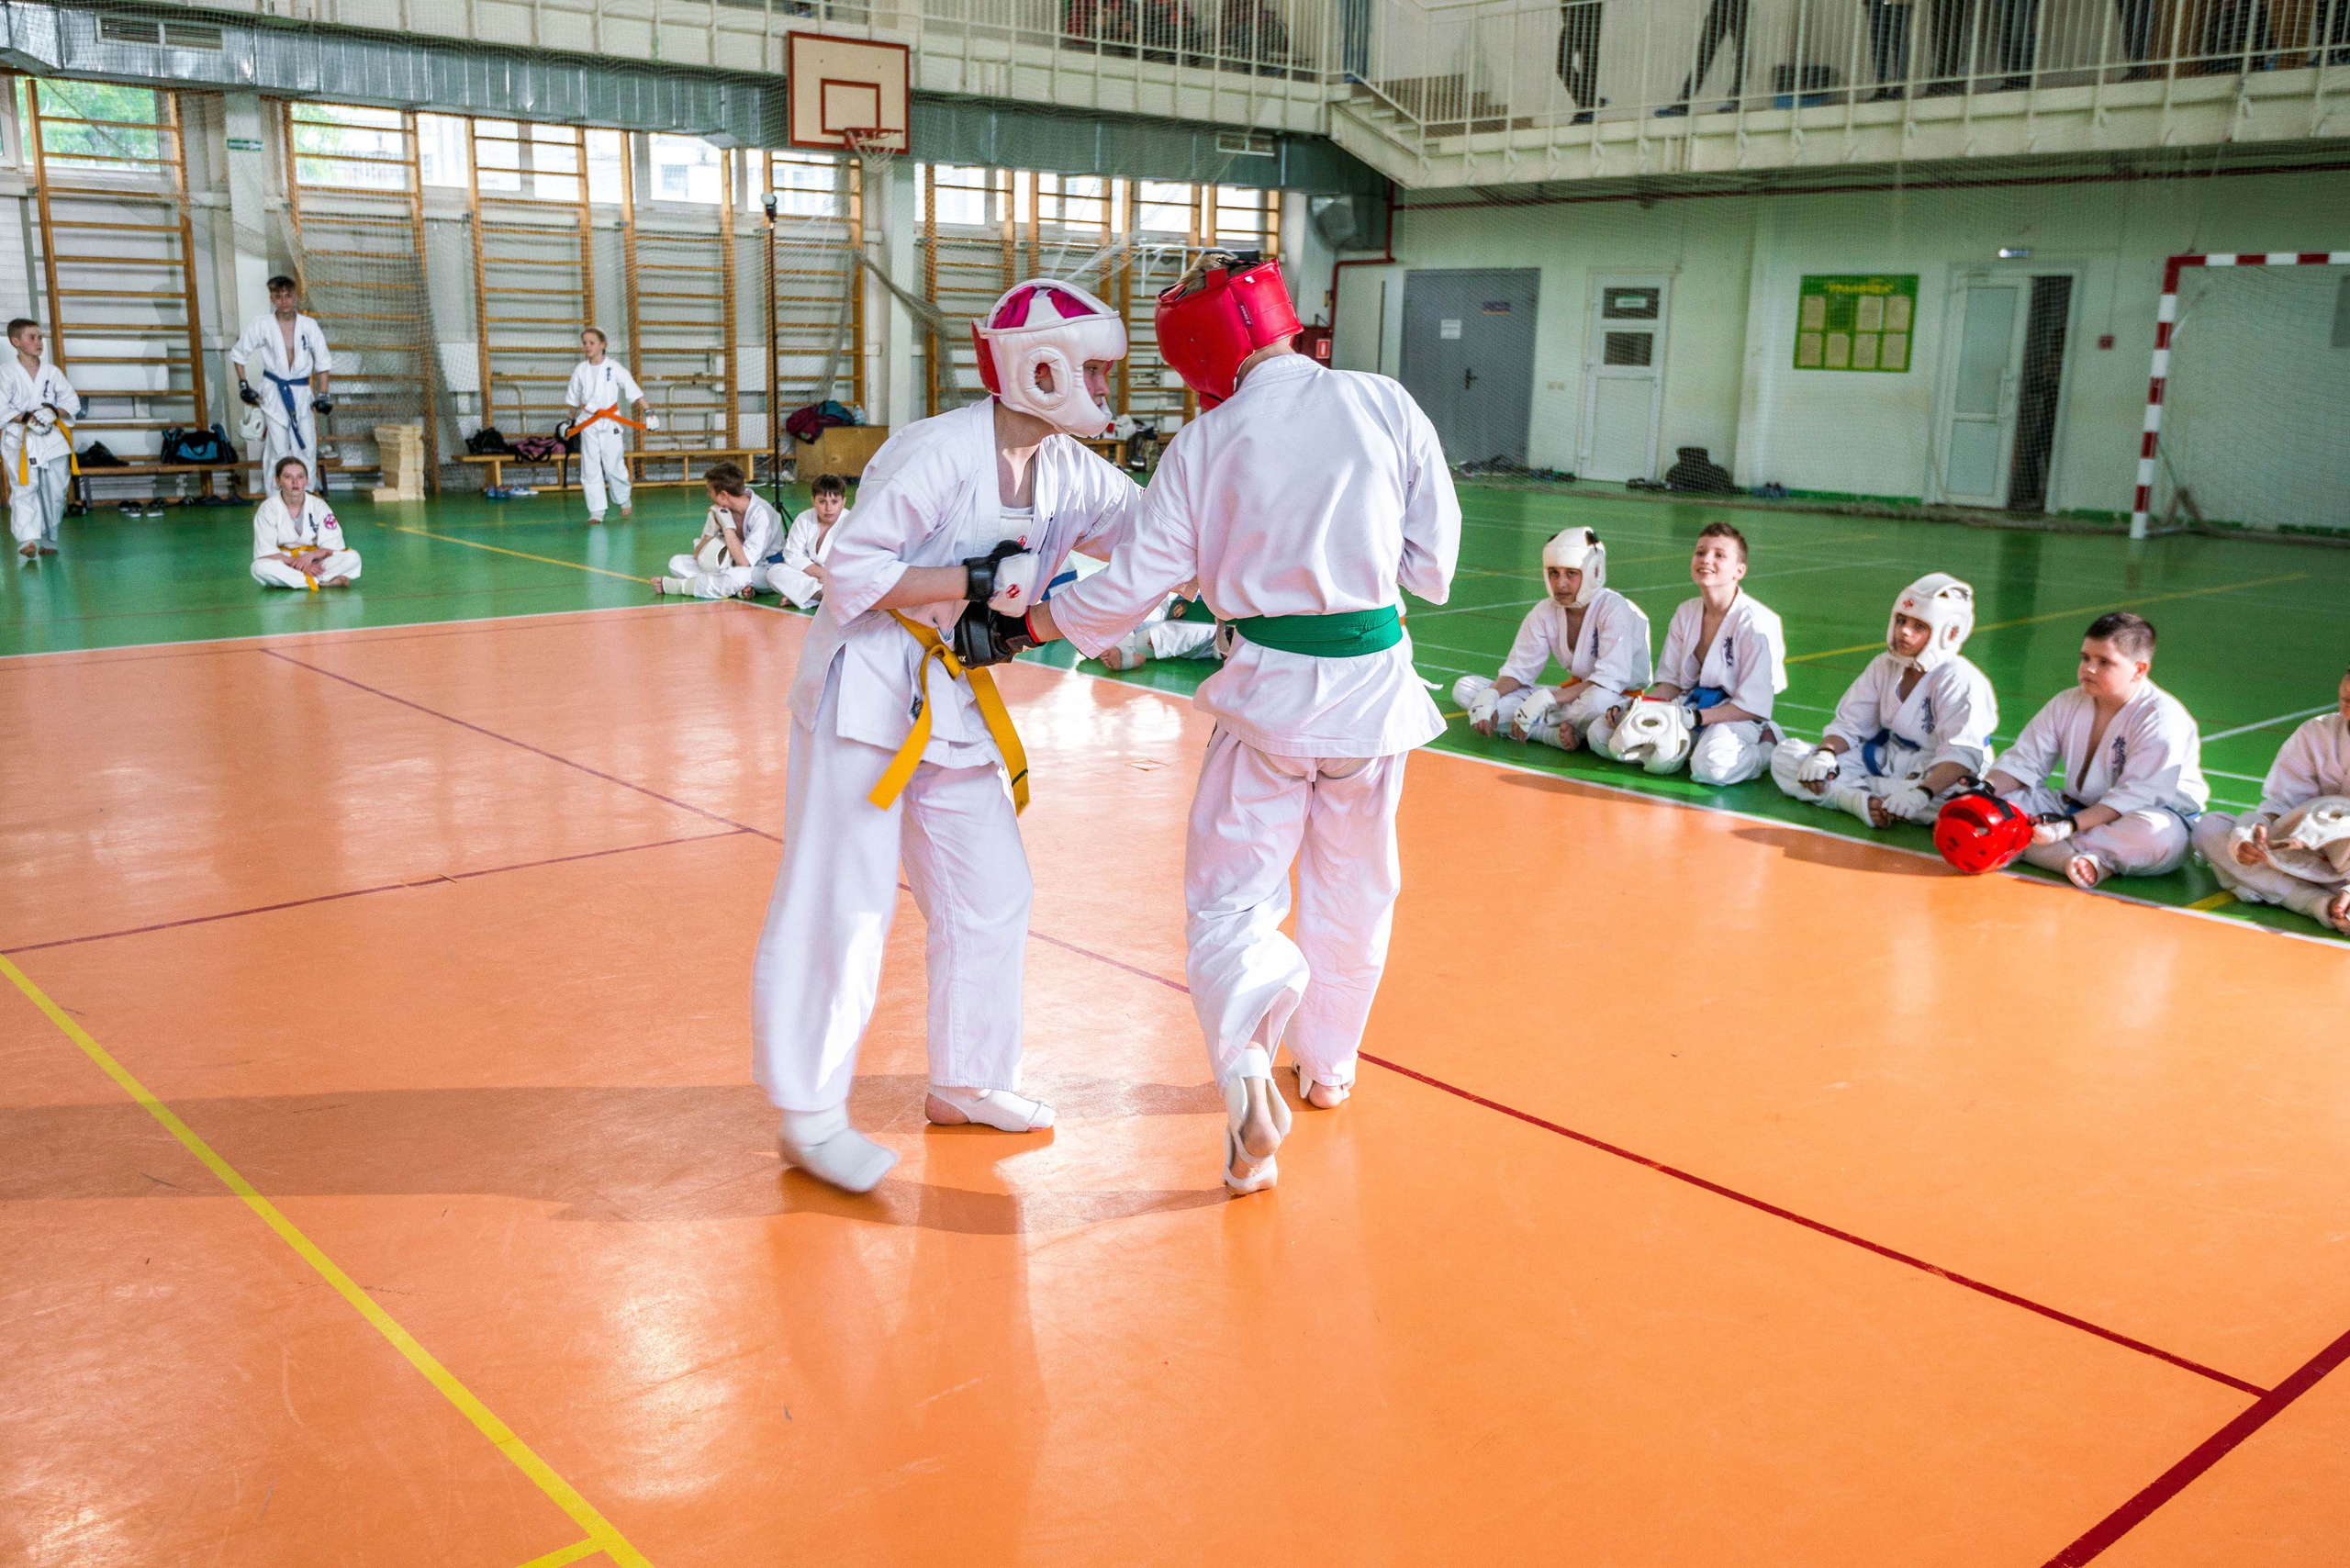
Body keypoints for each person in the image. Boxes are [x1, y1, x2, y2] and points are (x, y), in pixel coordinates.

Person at [1001, 252, 1461, 1195]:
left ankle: (1249, 1064)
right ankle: (1328, 1066)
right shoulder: (1383, 402)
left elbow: (1134, 584)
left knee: (1232, 901)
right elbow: (1433, 566)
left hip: (1268, 703)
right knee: (1357, 893)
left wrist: (1040, 621)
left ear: (1198, 358)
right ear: (1284, 318)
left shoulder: (1203, 447)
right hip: (1373, 696)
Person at [750, 278, 1141, 1193]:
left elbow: (1152, 528)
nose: (1101, 384)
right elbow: (848, 572)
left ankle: (967, 1079)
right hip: (866, 692)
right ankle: (809, 1114)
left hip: (952, 700)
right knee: (843, 900)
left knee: (991, 891)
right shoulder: (934, 451)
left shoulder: (1071, 469)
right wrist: (968, 582)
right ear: (1038, 367)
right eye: (1089, 367)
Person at [1986, 611, 2208, 890]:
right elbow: (2024, 761)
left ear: (2139, 669)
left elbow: (2138, 796)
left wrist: (2069, 826)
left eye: (2104, 662)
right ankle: (2082, 859)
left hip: (2145, 818)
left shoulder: (2163, 718)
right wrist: (1985, 792)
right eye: (2085, 657)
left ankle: (2029, 844)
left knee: (2157, 837)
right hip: (2072, 810)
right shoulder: (2066, 702)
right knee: (1998, 805)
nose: (2088, 669)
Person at [1771, 574, 1997, 826]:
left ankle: (1862, 795)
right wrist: (1825, 755)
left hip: (1942, 774)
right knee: (1787, 756)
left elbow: (1961, 756)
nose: (1904, 631)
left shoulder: (1962, 680)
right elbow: (1850, 725)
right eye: (1901, 620)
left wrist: (1921, 793)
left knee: (1966, 803)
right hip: (1889, 759)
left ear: (1950, 632)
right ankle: (1857, 801)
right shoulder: (1884, 665)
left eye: (1919, 626)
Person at [1450, 526, 1651, 754]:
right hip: (1572, 698)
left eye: (1571, 573)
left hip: (1615, 699)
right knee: (1466, 689)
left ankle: (1539, 727)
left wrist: (1543, 701)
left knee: (1597, 702)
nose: (1561, 583)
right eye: (1554, 573)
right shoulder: (1545, 611)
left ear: (1594, 571)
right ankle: (1552, 732)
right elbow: (1518, 671)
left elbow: (1607, 681)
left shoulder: (1614, 609)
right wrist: (1491, 695)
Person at [1619, 521, 1785, 785]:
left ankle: (1767, 747)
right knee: (1611, 739)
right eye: (1700, 552)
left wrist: (1695, 718)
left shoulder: (1756, 624)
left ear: (1739, 571)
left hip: (1737, 715)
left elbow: (1753, 706)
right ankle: (1694, 745)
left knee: (1711, 768)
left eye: (1719, 555)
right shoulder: (1686, 612)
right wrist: (1637, 707)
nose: (1706, 559)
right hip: (1690, 705)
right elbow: (1671, 684)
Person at [2191, 666, 2350, 935]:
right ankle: (2318, 905)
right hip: (2301, 855)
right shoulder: (2316, 732)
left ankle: (2326, 901)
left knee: (2337, 816)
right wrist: (2252, 834)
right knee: (2210, 829)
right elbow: (2280, 805)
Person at [231, 276, 334, 494]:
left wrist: (323, 394)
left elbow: (323, 362)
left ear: (295, 296)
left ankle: (304, 496)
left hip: (301, 392)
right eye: (278, 296)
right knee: (276, 449)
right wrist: (244, 385)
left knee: (307, 445)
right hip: (274, 392)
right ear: (272, 299)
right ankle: (273, 499)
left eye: (288, 296)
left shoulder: (309, 325)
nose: (284, 301)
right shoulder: (262, 324)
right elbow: (239, 355)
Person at [3, 318, 79, 560]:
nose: (38, 342)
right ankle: (27, 539)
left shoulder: (52, 372)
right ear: (16, 341)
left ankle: (49, 537)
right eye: (31, 337)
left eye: (40, 337)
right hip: (21, 439)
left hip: (52, 439)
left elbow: (72, 401)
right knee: (24, 487)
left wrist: (54, 412)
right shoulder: (6, 373)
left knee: (55, 491)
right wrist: (25, 417)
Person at [654, 461, 782, 600]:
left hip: (765, 569)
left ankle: (678, 586)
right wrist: (708, 535)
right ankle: (741, 589)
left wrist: (728, 528)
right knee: (676, 563)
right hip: (728, 564)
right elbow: (698, 555)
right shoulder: (721, 510)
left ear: (723, 495)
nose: (708, 495)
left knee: (733, 578)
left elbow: (744, 562)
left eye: (710, 491)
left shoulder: (762, 514)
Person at [565, 329, 655, 525]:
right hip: (588, 422)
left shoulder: (614, 368)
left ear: (603, 344)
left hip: (610, 421)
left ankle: (623, 499)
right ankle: (596, 511)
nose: (587, 346)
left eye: (591, 342)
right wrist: (568, 421)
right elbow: (573, 398)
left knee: (613, 465)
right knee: (589, 467)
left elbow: (633, 390)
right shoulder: (580, 369)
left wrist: (649, 412)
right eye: (585, 343)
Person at [251, 455, 360, 589]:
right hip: (285, 560)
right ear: (278, 480)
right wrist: (300, 564)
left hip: (316, 559)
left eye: (300, 477)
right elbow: (266, 551)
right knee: (259, 567)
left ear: (307, 481)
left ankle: (294, 582)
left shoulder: (319, 506)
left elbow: (333, 546)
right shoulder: (267, 509)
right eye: (288, 477)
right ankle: (322, 581)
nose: (295, 482)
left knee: (353, 558)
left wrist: (310, 557)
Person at [767, 472, 851, 609]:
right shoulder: (804, 519)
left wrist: (830, 576)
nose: (828, 508)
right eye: (822, 501)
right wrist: (821, 574)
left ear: (843, 502)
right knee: (774, 572)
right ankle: (819, 595)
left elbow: (853, 562)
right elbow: (792, 554)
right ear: (813, 501)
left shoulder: (850, 522)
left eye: (834, 502)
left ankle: (804, 596)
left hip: (840, 578)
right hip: (814, 577)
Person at [1657, 0, 1750, 114]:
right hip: (1720, 4)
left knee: (1742, 52)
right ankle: (1683, 103)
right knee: (1705, 53)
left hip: (1741, 4)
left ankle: (1735, 100)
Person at [1097, 587, 1222, 670]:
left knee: (1173, 632)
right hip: (1184, 606)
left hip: (1216, 628)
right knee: (1146, 603)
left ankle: (1125, 649)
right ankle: (1104, 641)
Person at [1556, 0, 1605, 122]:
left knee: (1588, 61)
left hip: (1589, 15)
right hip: (1570, 17)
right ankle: (1589, 104)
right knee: (1562, 65)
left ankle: (1586, 109)